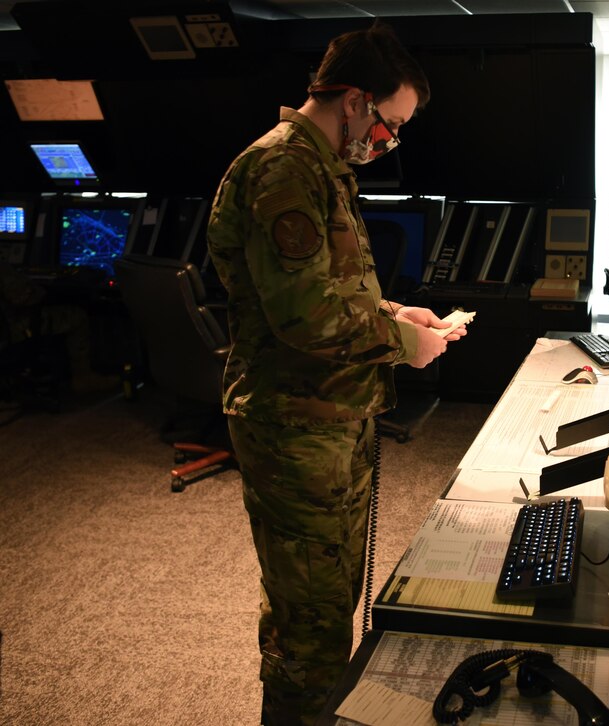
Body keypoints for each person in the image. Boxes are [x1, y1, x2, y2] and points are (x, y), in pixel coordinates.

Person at [205, 20, 465, 725]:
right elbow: (303, 318)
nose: (389, 141)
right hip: (294, 429)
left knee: (326, 601)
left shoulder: (323, 169)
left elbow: (331, 288)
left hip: (332, 419)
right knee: (312, 624)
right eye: (389, 123)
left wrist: (395, 311)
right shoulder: (282, 170)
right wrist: (402, 345)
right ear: (354, 101)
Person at [0, 261, 117, 400]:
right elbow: (23, 296)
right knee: (77, 316)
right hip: (13, 330)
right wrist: (47, 291)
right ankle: (83, 378)